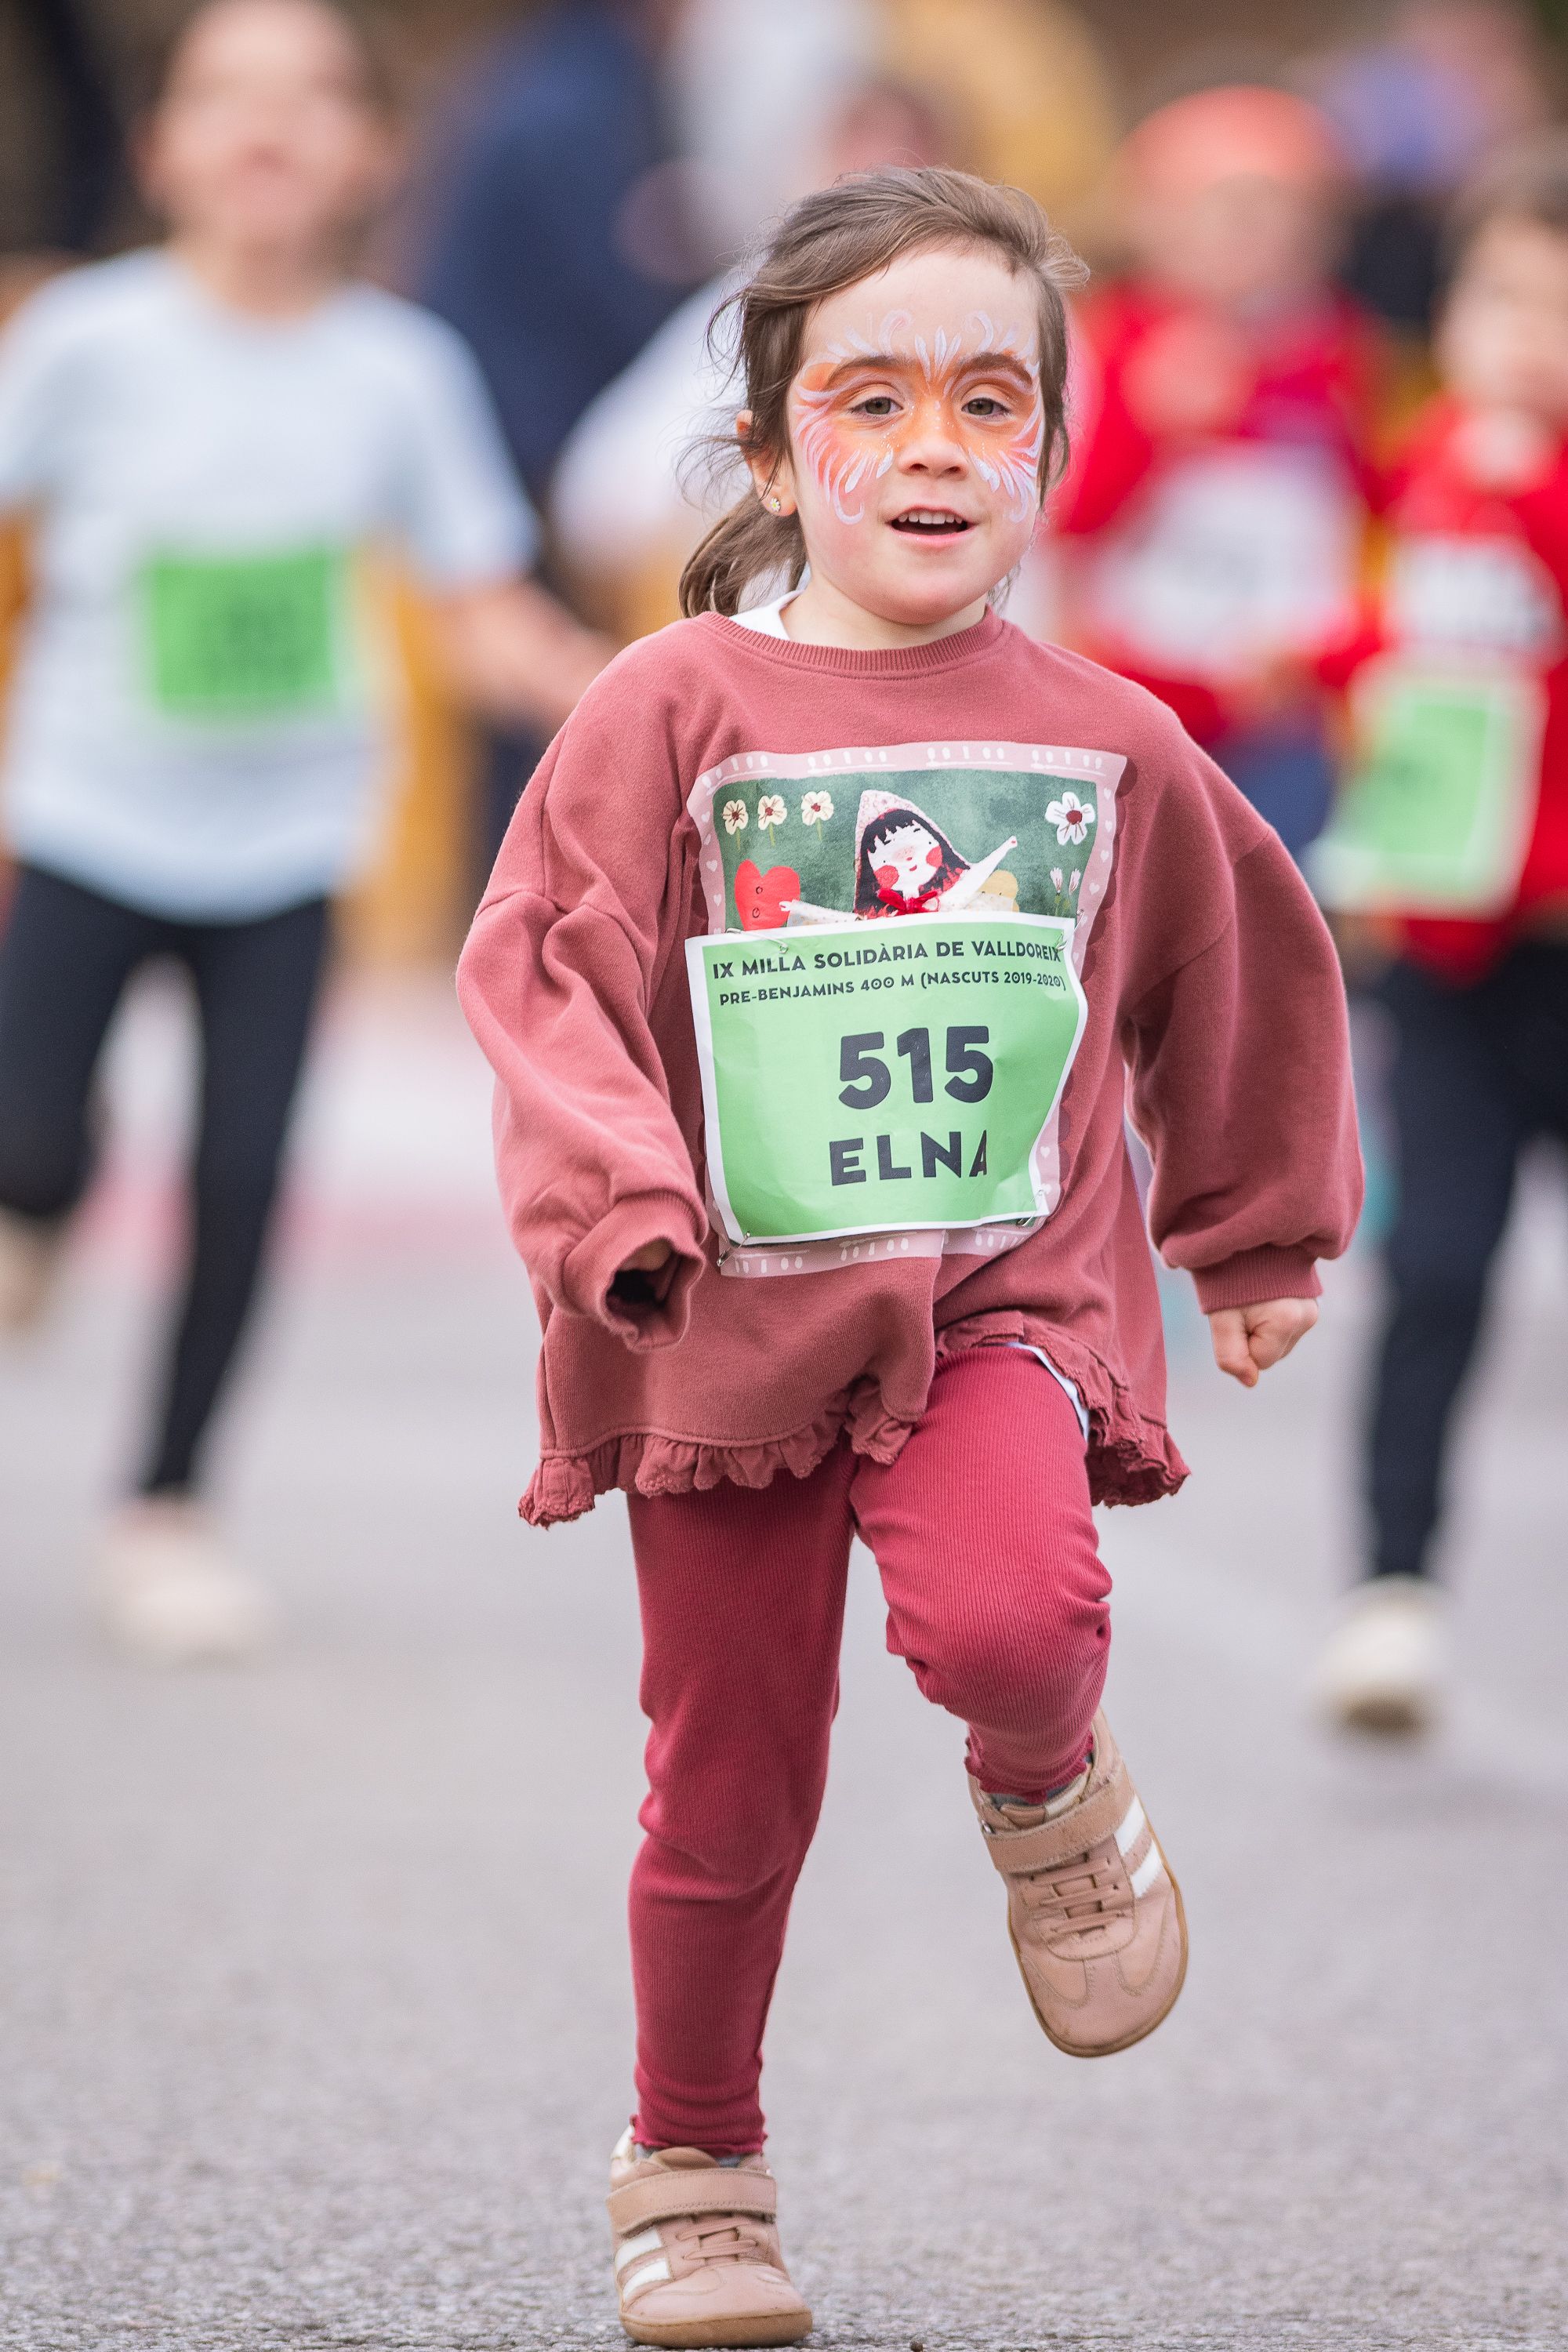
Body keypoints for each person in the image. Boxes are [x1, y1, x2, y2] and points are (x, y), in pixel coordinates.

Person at [459, 165, 1362, 2347]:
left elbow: (1235, 977)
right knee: (735, 1776)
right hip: (728, 1323)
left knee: (1018, 1613)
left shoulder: (1112, 740)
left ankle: (1049, 1783)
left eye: (990, 398)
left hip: (996, 1302)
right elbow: (542, 978)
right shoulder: (668, 708)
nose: (935, 445)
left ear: (1053, 445)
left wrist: (1252, 1226)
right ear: (777, 456)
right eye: (872, 401)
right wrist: (621, 1213)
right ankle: (696, 2163)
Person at [0, 0, 605, 1663]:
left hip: (283, 849)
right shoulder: (86, 341)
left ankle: (169, 1508)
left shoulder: (399, 370)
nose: (267, 127)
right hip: (82, 817)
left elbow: (480, 600)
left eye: (310, 97)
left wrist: (616, 692)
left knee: (245, 1175)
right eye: (225, 95)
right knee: (26, 1146)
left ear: (372, 154)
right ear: (163, 147)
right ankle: (40, 1206)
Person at [1312, 139, 1568, 1734]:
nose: (1525, 331)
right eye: (1501, 293)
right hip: (1457, 958)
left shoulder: (1505, 474)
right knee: (1438, 1266)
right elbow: (1410, 657)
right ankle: (1388, 1588)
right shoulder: (1428, 463)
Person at [1049, 86, 1385, 857]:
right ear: (1156, 217)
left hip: (1283, 711)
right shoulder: (1110, 339)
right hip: (1138, 704)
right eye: (1223, 209)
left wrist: (1329, 657)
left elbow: (1371, 513)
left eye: (1274, 210)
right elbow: (1062, 520)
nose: (1249, 236)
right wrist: (1147, 426)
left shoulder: (1335, 351)